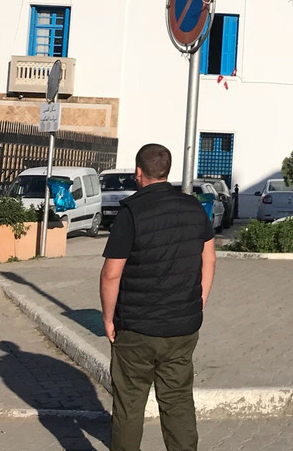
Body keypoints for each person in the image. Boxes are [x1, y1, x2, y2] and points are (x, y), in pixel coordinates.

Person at [100, 144, 217, 451]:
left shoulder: (131, 212)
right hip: (182, 327)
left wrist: (108, 318)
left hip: (135, 329)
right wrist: (200, 298)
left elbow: (111, 273)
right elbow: (210, 258)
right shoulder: (194, 208)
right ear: (166, 172)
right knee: (177, 400)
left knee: (129, 405)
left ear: (139, 173)